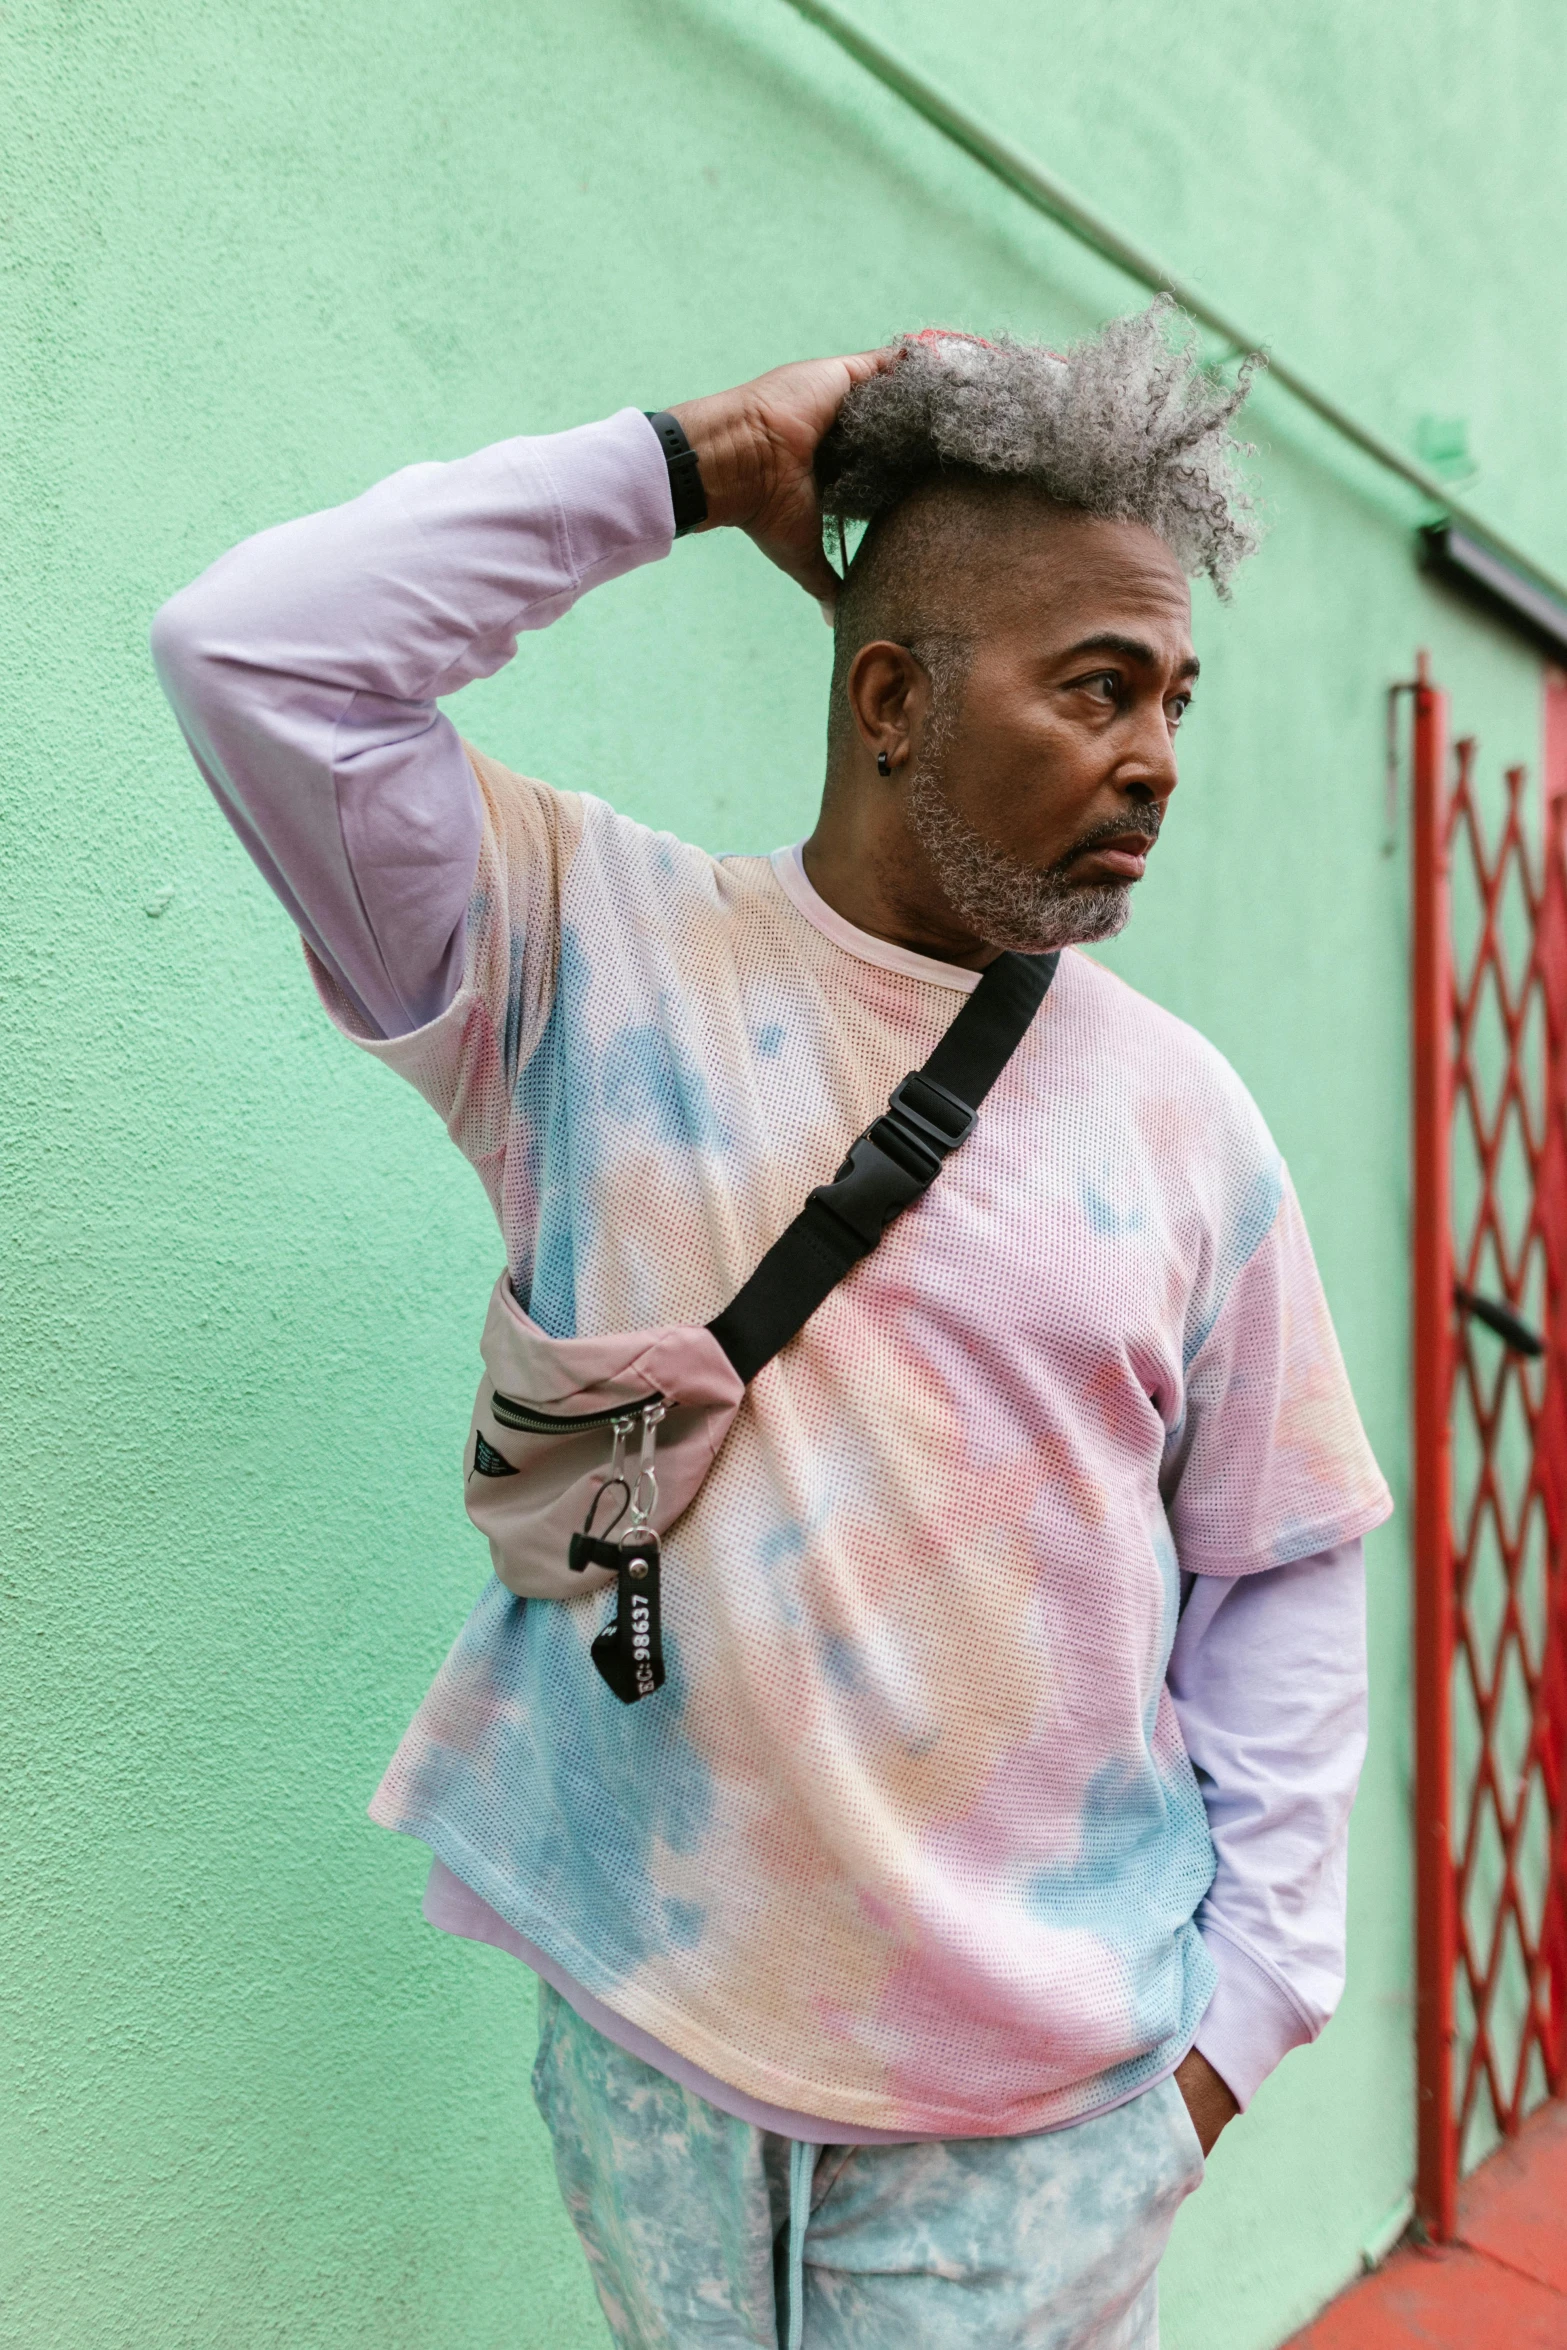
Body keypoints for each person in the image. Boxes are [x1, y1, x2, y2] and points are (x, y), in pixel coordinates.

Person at [153, 303, 1391, 2350]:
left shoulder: (1187, 1124)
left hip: (1044, 2129)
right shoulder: (575, 958)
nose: (1160, 754)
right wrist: (694, 459)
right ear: (892, 695)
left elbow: (1283, 1566)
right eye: (1100, 686)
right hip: (654, 2061)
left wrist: (1236, 2025)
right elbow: (253, 655)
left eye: (1176, 693)